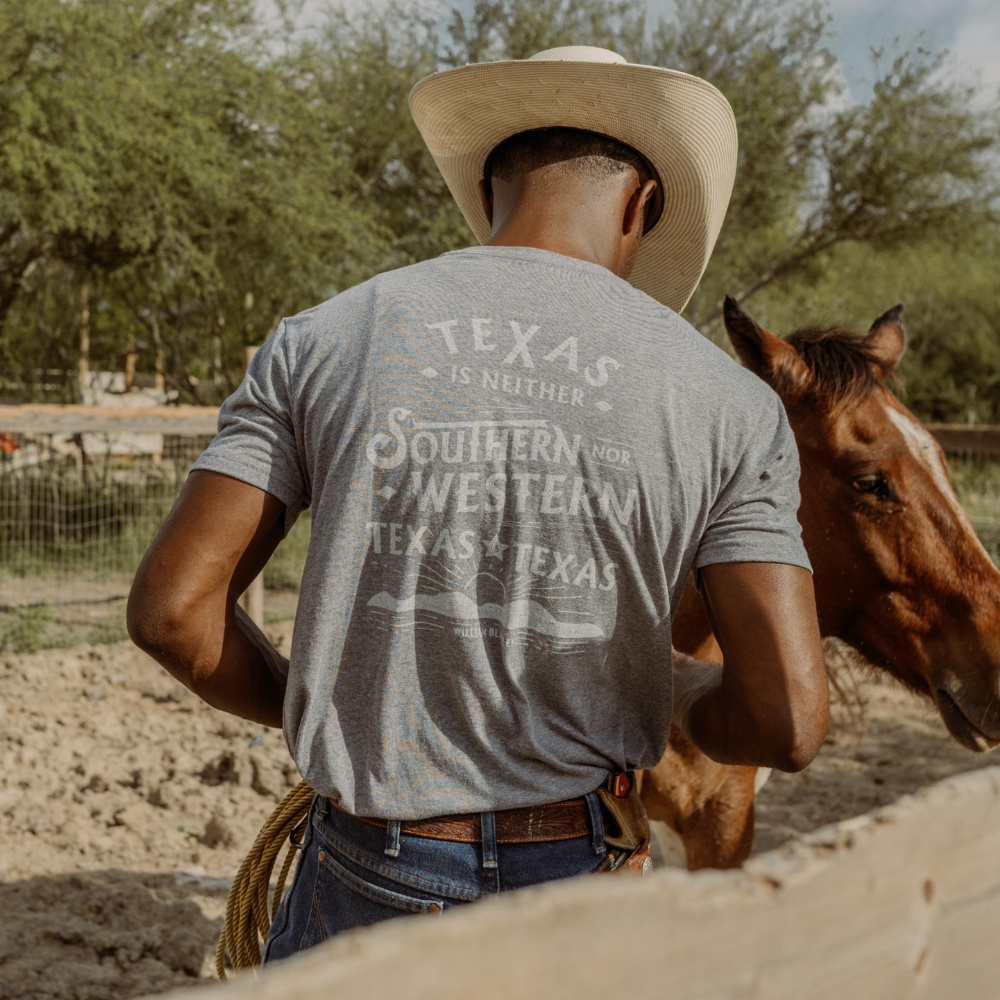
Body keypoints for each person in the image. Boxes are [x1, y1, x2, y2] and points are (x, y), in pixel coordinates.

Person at [128, 45, 827, 956]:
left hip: (360, 867)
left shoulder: (322, 339)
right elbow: (787, 721)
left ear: (492, 187)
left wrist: (342, 706)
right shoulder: (729, 403)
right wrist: (686, 686)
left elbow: (172, 614)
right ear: (642, 205)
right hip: (578, 876)